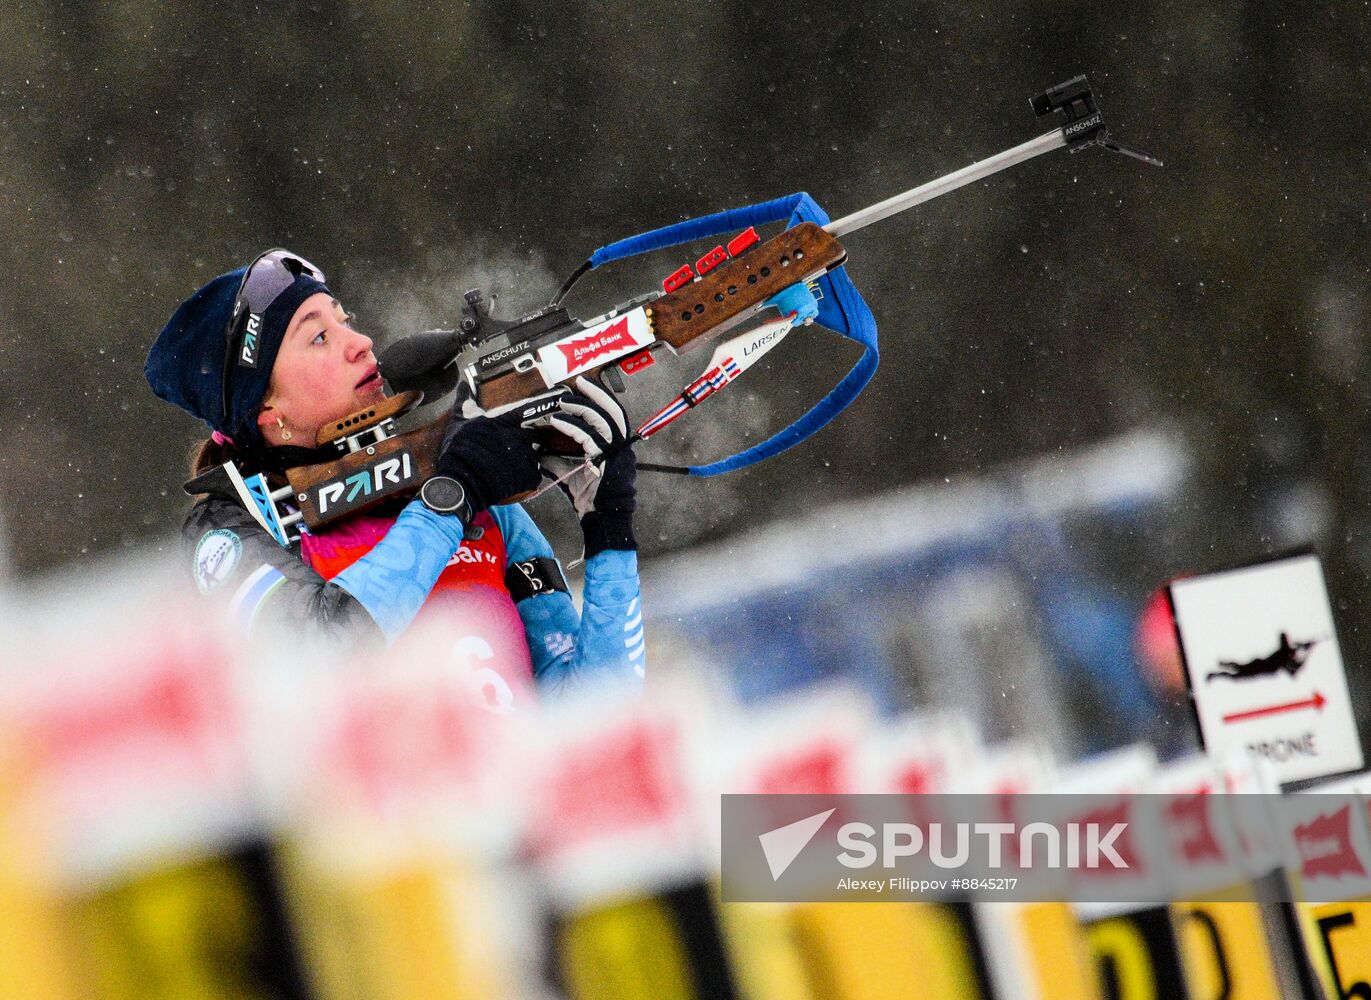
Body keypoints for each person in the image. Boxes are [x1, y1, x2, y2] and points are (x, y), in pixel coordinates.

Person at [144, 249, 645, 704]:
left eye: (347, 322)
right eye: (319, 337)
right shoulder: (231, 527)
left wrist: (609, 530)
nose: (360, 343)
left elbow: (591, 710)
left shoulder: (454, 480)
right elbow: (317, 653)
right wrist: (452, 499)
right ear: (265, 406)